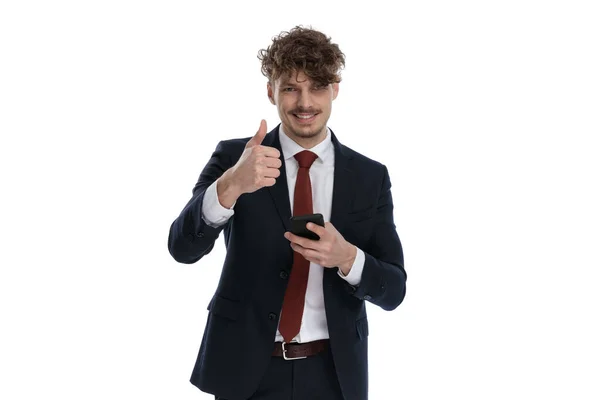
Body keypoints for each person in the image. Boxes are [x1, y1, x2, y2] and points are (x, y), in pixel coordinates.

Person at [168, 26, 406, 400]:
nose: (305, 103)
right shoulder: (236, 158)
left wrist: (347, 257)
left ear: (336, 90)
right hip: (246, 371)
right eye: (291, 88)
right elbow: (182, 248)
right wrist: (231, 186)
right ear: (270, 91)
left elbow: (394, 291)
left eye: (317, 87)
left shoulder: (369, 176)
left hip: (334, 374)